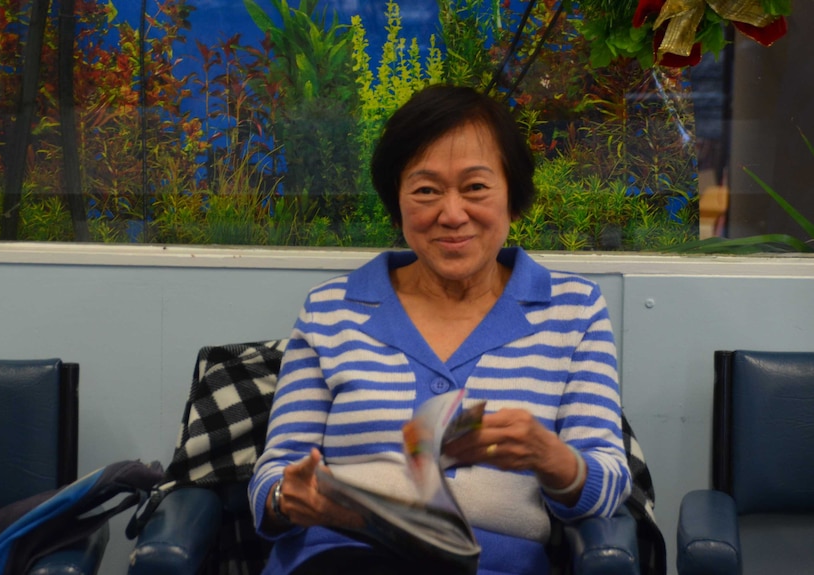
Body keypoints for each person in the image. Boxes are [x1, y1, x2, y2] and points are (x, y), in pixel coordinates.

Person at [249, 84, 632, 575]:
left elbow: (609, 482)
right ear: (398, 201)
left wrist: (550, 456)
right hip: (340, 560)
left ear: (513, 197)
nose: (452, 215)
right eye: (427, 190)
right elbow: (273, 477)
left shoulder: (572, 310)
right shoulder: (332, 309)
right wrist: (288, 497)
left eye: (475, 187)